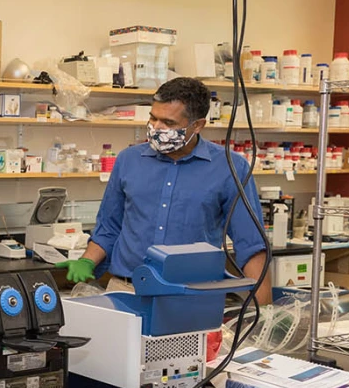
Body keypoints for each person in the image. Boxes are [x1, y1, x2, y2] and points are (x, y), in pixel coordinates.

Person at [59, 77, 271, 303]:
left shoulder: (230, 166)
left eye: (169, 123)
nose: (156, 128)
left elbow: (251, 244)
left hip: (192, 295)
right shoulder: (128, 160)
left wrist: (264, 312)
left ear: (197, 125)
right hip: (127, 290)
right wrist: (87, 261)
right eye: (153, 118)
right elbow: (109, 227)